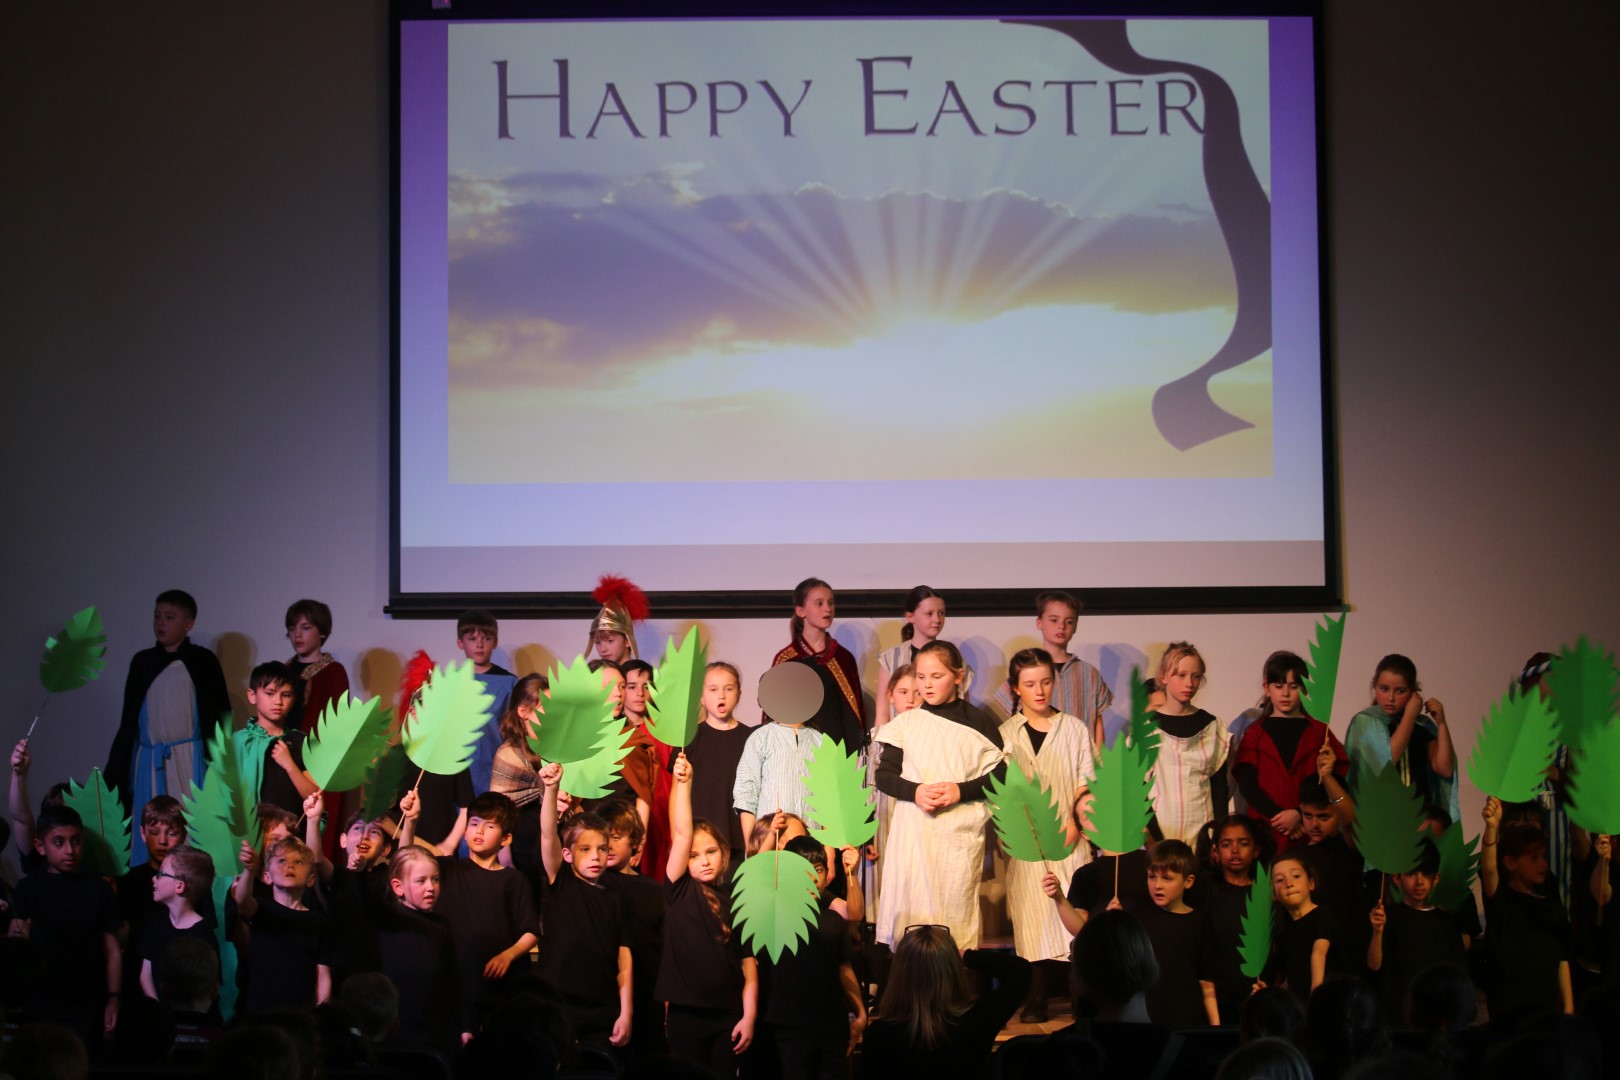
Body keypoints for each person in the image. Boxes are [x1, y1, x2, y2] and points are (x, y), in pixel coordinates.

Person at [874, 641, 1005, 950]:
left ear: (958, 677)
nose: (927, 685)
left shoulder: (979, 722)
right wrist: (915, 791)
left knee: (953, 920)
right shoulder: (906, 723)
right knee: (912, 920)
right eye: (921, 677)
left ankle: (953, 979)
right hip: (913, 836)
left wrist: (961, 790)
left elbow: (1002, 774)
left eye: (937, 676)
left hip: (958, 838)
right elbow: (885, 776)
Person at [997, 647, 1094, 1022]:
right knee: (1032, 917)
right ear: (1015, 688)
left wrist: (1075, 822)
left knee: (1073, 913)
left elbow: (1086, 780)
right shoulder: (1005, 734)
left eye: (1046, 682)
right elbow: (1001, 791)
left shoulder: (1074, 729)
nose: (1039, 691)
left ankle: (1080, 994)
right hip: (1026, 842)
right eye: (1030, 684)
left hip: (1069, 837)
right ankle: (1036, 996)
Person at [106, 589, 232, 863]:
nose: (161, 623)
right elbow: (130, 720)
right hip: (150, 759)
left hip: (189, 759)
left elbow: (219, 716)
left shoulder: (202, 661)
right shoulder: (143, 662)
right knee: (151, 826)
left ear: (188, 623)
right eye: (157, 616)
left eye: (169, 617)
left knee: (188, 826)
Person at [399, 788, 537, 1032]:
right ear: (465, 831)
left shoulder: (514, 880)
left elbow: (530, 932)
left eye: (489, 826)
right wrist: (410, 822)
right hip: (455, 984)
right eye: (474, 824)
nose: (479, 831)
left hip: (500, 987)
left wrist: (508, 955)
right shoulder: (447, 870)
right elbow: (405, 861)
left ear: (506, 839)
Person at [658, 752, 757, 1075]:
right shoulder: (679, 890)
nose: (703, 860)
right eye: (694, 855)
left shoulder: (735, 902)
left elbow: (748, 967)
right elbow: (682, 833)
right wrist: (684, 784)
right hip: (686, 1015)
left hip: (727, 1015)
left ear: (723, 852)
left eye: (711, 851)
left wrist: (749, 1017)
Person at [538, 761, 634, 1050]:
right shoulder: (561, 882)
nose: (595, 856)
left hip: (601, 1007)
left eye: (602, 849)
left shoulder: (613, 898)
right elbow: (548, 834)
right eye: (585, 849)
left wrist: (626, 1011)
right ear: (567, 854)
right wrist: (551, 789)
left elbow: (624, 957)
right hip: (557, 1005)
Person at [7, 804, 122, 1046]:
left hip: (87, 1000)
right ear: (41, 846)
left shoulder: (99, 888)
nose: (70, 850)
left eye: (76, 841)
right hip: (40, 997)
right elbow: (16, 945)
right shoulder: (27, 888)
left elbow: (112, 950)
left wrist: (114, 997)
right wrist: (17, 937)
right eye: (59, 842)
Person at [861, 924, 1031, 1079]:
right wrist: (962, 955)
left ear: (899, 974)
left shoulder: (879, 1034)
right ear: (952, 969)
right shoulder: (978, 1019)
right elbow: (1021, 970)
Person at [764, 836, 867, 1080]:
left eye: (818, 870)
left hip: (832, 1026)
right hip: (791, 1028)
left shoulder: (832, 921)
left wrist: (861, 1013)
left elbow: (844, 969)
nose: (812, 878)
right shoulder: (773, 915)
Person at [1232, 650, 1347, 852]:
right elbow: (1247, 785)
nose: (1285, 693)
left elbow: (1334, 780)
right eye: (1279, 686)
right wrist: (1280, 817)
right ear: (1267, 688)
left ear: (1304, 689)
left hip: (1309, 832)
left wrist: (1298, 814)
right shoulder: (1255, 734)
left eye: (1294, 687)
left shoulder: (1320, 733)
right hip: (1266, 832)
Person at [1479, 794, 1574, 1021]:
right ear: (1510, 862)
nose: (1543, 864)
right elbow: (1489, 868)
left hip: (1547, 1007)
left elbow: (1562, 956)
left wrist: (1569, 1006)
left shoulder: (1549, 898)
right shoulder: (1503, 898)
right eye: (1534, 858)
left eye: (1543, 856)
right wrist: (1491, 828)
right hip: (1510, 1009)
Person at [1343, 654, 1457, 825]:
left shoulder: (1422, 725)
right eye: (1384, 689)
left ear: (1413, 692)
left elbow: (1445, 769)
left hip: (1418, 818)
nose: (1390, 698)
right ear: (1375, 686)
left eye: (1400, 691)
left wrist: (1441, 724)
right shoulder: (1365, 722)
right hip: (1379, 819)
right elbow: (1387, 763)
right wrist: (1410, 715)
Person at [371, 846, 464, 1051]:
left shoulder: (441, 926)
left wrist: (465, 1025)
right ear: (398, 887)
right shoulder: (386, 920)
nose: (431, 887)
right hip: (392, 1032)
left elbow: (452, 978)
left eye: (435, 879)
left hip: (433, 1032)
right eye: (421, 881)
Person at [1367, 838, 1469, 1023]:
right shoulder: (1386, 917)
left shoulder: (1446, 922)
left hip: (1436, 1015)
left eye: (1426, 873)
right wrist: (1377, 932)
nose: (1419, 881)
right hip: (1397, 1015)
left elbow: (1458, 972)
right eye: (1411, 873)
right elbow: (1374, 965)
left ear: (1436, 878)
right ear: (1397, 878)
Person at [992, 591, 1113, 747]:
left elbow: (1097, 722)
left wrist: (1099, 759)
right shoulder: (1026, 671)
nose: (1061, 626)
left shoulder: (1088, 673)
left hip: (1081, 755)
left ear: (1075, 626)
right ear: (1039, 622)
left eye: (1069, 621)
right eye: (1054, 620)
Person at [234, 831, 335, 1011]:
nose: (290, 866)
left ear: (311, 879)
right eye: (282, 861)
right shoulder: (261, 909)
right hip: (261, 1013)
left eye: (299, 862)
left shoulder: (318, 922)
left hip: (300, 1014)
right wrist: (249, 870)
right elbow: (241, 900)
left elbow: (323, 974)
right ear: (267, 877)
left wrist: (322, 1012)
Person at [599, 798, 668, 1060]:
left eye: (617, 837)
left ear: (635, 842)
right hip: (604, 993)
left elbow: (664, 946)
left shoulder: (653, 890)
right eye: (604, 837)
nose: (609, 844)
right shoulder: (592, 884)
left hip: (647, 994)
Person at [284, 599, 351, 862]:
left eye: (305, 628)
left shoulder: (333, 672)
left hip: (315, 764)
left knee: (311, 830)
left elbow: (336, 726)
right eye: (292, 629)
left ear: (321, 631)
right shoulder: (285, 670)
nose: (297, 635)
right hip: (284, 758)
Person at [1190, 814, 1273, 1023]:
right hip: (1214, 993)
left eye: (1243, 844)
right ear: (1216, 851)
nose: (1235, 850)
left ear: (1256, 849)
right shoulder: (1204, 888)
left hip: (1257, 990)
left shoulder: (1266, 892)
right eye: (1226, 844)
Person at [1147, 642, 1231, 844]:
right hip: (1161, 834)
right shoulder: (1146, 730)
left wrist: (1219, 834)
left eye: (1196, 676)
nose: (1189, 683)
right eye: (1181, 675)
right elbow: (1138, 792)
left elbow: (1219, 787)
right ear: (1164, 677)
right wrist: (1154, 839)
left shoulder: (1212, 726)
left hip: (1203, 831)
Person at [1133, 839, 1221, 1027]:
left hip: (1188, 1020)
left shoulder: (1199, 922)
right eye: (1152, 876)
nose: (1157, 885)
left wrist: (1215, 1027)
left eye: (1167, 878)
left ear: (1188, 881)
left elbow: (1206, 981)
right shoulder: (1138, 919)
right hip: (1146, 1021)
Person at [733, 673, 826, 843]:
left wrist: (829, 850)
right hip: (771, 839)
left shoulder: (820, 741)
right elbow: (746, 793)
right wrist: (751, 845)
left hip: (811, 842)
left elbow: (828, 797)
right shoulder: (761, 737)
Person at [676, 662, 751, 868]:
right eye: (713, 689)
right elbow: (677, 792)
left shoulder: (752, 738)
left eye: (728, 689)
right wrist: (678, 835)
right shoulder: (690, 738)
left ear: (739, 694)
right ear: (701, 696)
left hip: (739, 840)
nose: (721, 696)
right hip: (700, 840)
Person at [769, 577, 865, 734]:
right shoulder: (786, 660)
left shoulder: (843, 658)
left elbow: (852, 715)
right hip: (797, 746)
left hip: (835, 746)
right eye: (819, 603)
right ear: (800, 611)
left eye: (831, 603)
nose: (827, 609)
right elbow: (774, 714)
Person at [873, 586, 973, 731]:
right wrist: (879, 742)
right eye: (929, 614)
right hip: (902, 737)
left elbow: (964, 707)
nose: (937, 619)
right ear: (910, 616)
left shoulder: (954, 657)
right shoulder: (891, 659)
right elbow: (882, 714)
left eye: (941, 613)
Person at [117, 794, 187, 997]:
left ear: (183, 834)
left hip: (179, 975)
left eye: (171, 833)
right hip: (136, 975)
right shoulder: (129, 881)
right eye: (155, 832)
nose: (162, 841)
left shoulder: (191, 881)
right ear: (142, 833)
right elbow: (122, 938)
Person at [232, 661, 318, 817]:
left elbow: (315, 798)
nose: (278, 702)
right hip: (250, 829)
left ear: (294, 698)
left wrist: (290, 765)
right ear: (252, 696)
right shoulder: (237, 743)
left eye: (286, 695)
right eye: (270, 693)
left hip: (291, 828)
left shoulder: (301, 742)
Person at [487, 672, 548, 888]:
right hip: (523, 846)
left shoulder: (555, 749)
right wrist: (506, 860)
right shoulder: (508, 754)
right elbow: (499, 811)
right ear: (524, 711)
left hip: (552, 842)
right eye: (546, 708)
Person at [138, 844, 219, 1003]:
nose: (154, 877)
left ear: (180, 886)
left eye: (161, 874)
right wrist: (158, 1011)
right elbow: (145, 976)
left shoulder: (203, 935)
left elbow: (210, 988)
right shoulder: (156, 923)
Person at [455, 609, 517, 797]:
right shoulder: (449, 683)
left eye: (486, 638)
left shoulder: (510, 683)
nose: (479, 645)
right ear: (460, 643)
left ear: (495, 642)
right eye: (472, 639)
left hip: (496, 770)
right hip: (457, 771)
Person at [1268, 852, 1338, 1002]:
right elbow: (1288, 979)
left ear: (1311, 883)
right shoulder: (1282, 933)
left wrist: (1315, 999)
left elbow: (1318, 953)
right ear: (1273, 893)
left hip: (1325, 1001)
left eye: (1296, 876)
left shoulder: (1322, 915)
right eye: (1279, 880)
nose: (1289, 883)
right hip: (1299, 1006)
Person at [586, 573, 648, 664]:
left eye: (610, 641)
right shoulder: (597, 672)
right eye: (598, 642)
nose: (603, 649)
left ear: (627, 641)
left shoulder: (641, 673)